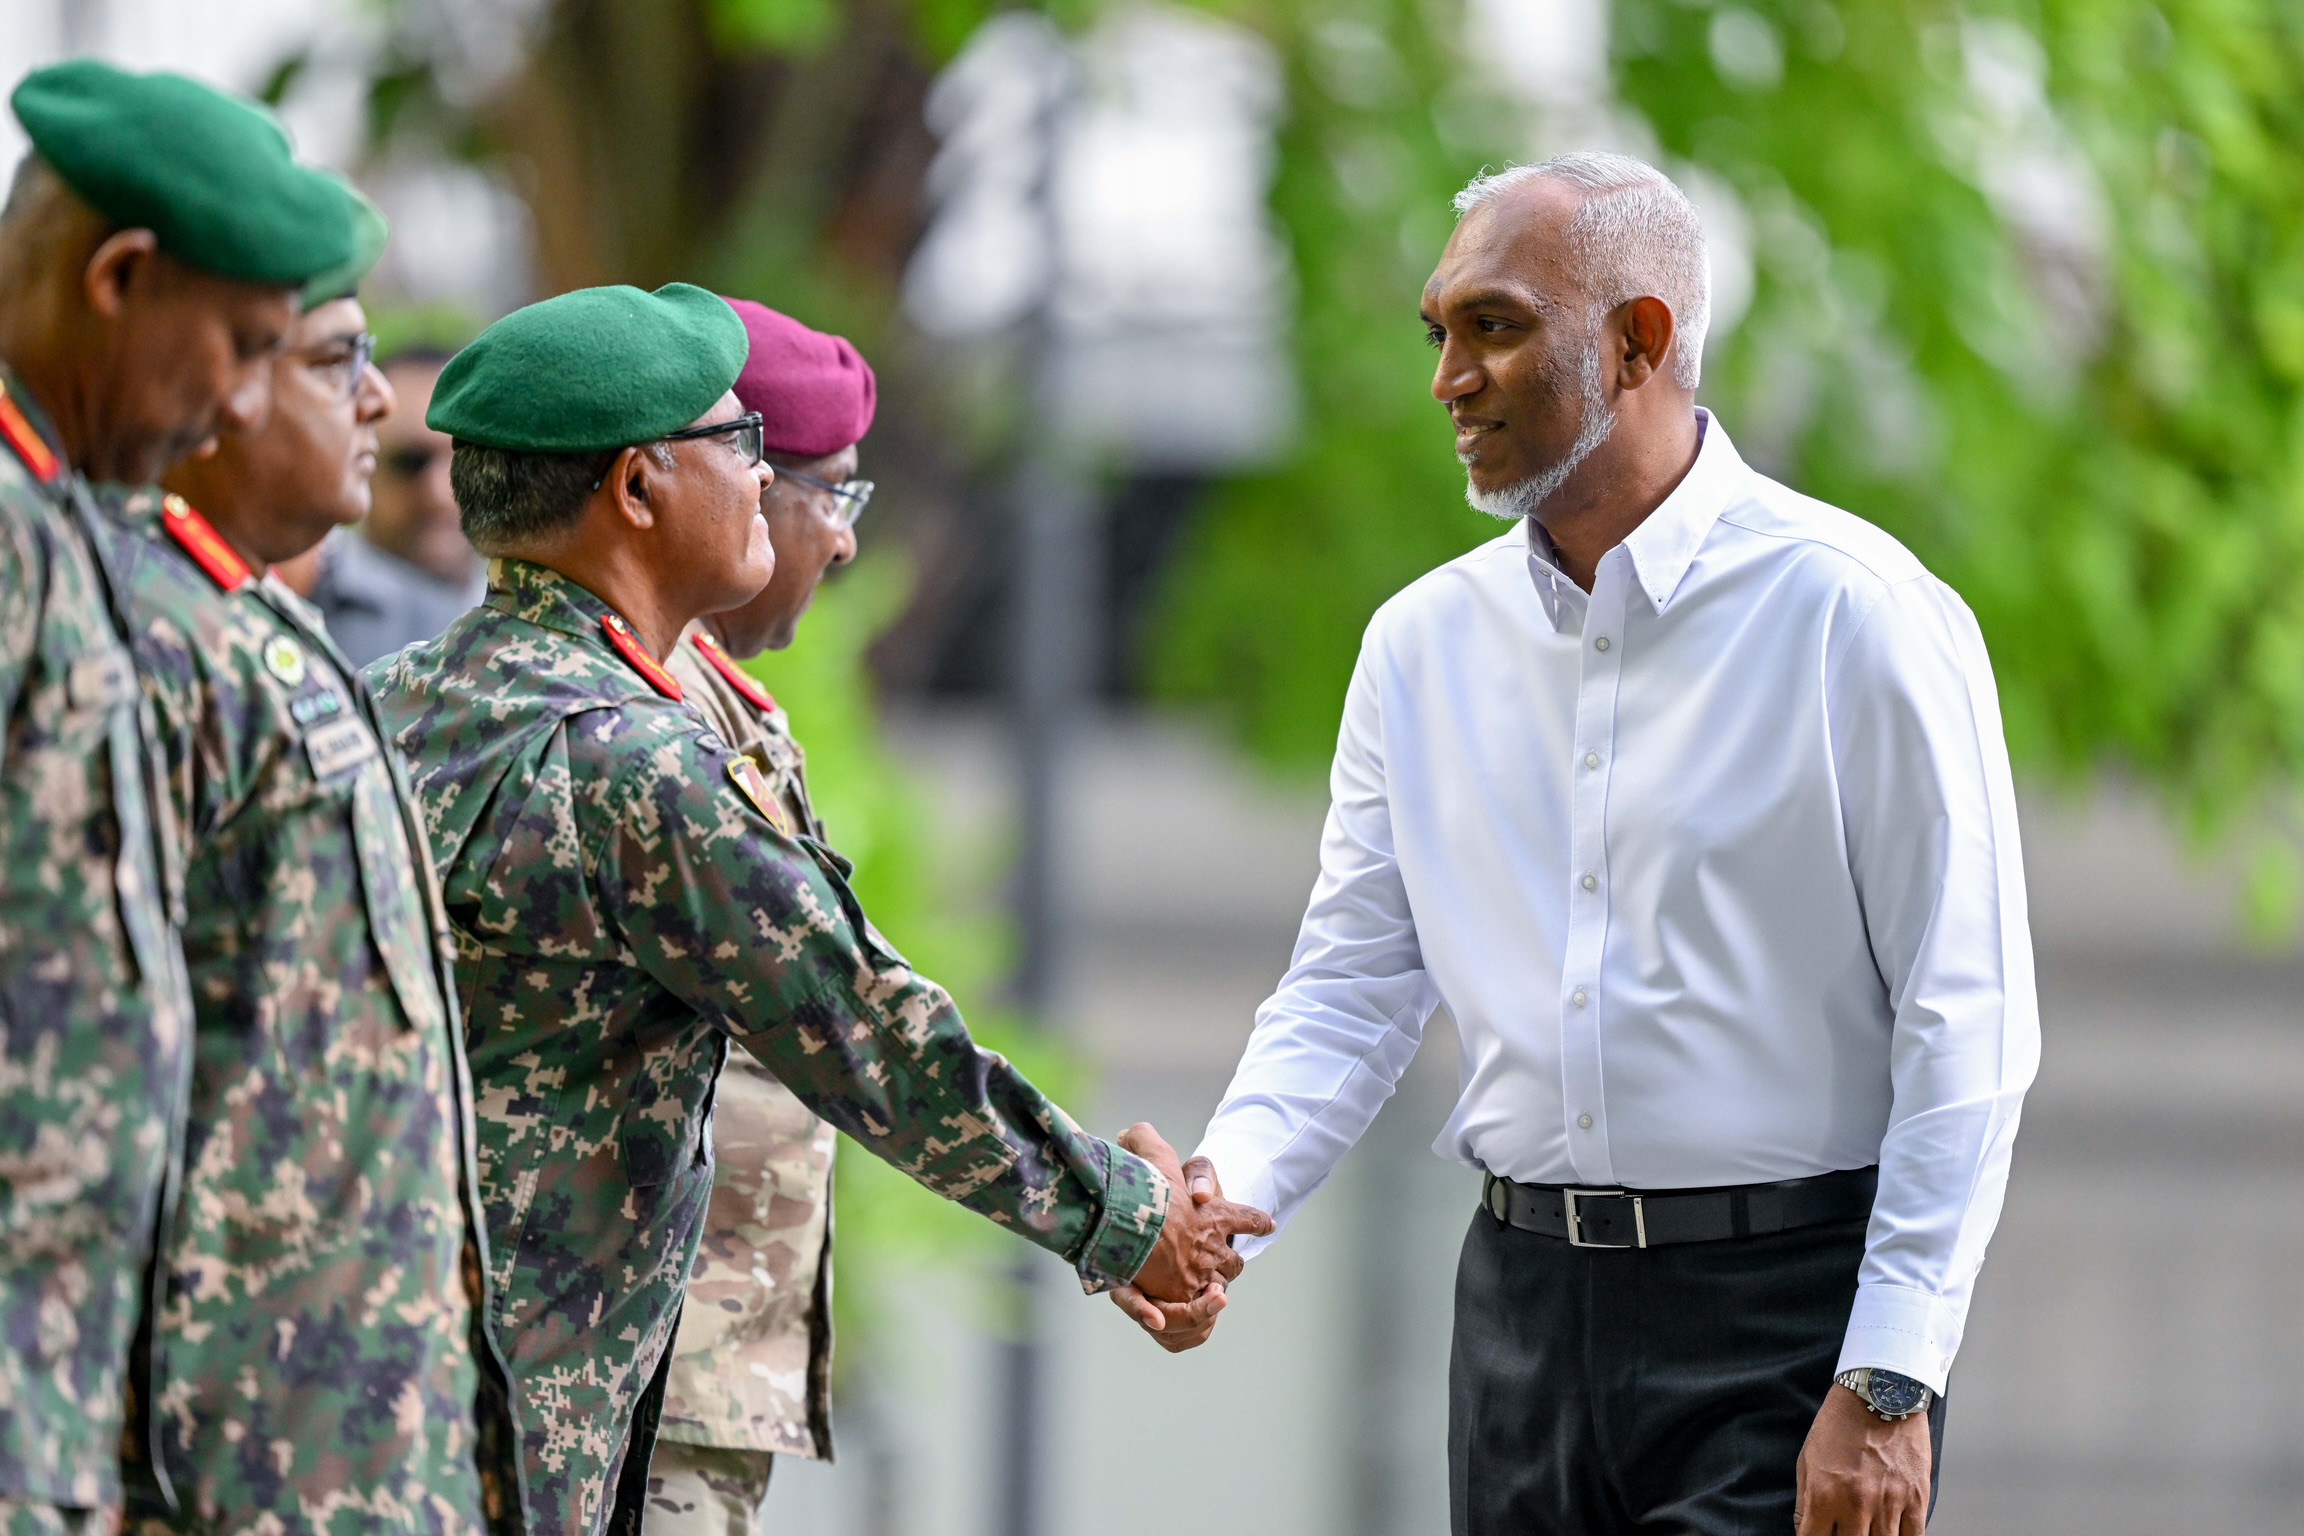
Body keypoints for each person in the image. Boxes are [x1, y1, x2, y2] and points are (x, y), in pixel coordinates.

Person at [1121, 152, 2039, 1536]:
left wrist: (1893, 1373)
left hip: (1785, 1331)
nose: (1448, 378)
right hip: (1519, 1317)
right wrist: (1213, 1199)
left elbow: (1969, 1023)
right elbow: (1349, 990)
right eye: (1439, 333)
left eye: (1493, 326)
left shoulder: (1861, 618)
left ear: (1637, 342)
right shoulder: (1419, 648)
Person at [367, 283, 1266, 1536]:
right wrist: (1123, 1216)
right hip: (519, 1424)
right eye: (739, 444)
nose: (764, 476)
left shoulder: (386, 700)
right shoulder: (635, 762)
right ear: (639, 486)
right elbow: (870, 1034)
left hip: (361, 1382)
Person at [101, 192, 522, 1536]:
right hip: (207, 1434)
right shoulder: (138, 648)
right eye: (338, 361)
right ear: (227, 386)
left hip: (339, 1420)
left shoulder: (262, 632)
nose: (378, 408)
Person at [0, 60, 363, 1534]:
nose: (238, 404)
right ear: (120, 279)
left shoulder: (57, 528)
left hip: (58, 1403)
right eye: (241, 345)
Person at [638, 300, 873, 1536]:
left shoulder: (722, 708)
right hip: (640, 1369)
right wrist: (1122, 1217)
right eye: (834, 494)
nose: (843, 543)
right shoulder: (649, 722)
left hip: (697, 1363)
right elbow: (859, 1023)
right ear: (748, 483)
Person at [306, 341, 485, 666]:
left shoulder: (540, 600)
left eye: (464, 460)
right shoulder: (307, 595)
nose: (439, 491)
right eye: (411, 462)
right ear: (363, 458)